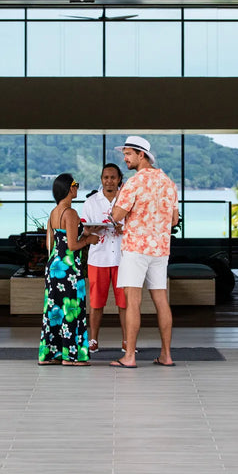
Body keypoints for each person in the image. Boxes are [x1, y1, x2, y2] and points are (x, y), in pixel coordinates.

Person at [109, 136, 180, 368]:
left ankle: (129, 356)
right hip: (160, 249)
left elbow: (116, 216)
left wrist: (119, 199)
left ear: (142, 155)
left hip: (136, 249)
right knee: (161, 300)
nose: (125, 158)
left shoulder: (134, 182)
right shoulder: (168, 182)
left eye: (128, 154)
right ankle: (166, 355)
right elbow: (173, 220)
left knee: (133, 302)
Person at [38, 172, 101, 366]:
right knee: (73, 310)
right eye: (75, 184)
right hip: (69, 268)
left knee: (54, 309)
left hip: (54, 265)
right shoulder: (71, 213)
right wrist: (89, 239)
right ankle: (72, 356)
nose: (77, 187)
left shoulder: (54, 212)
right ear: (68, 188)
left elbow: (51, 242)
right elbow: (73, 245)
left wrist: (86, 231)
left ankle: (52, 354)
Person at [80, 163, 127, 353]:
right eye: (106, 177)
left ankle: (127, 341)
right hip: (98, 259)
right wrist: (92, 229)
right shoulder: (91, 202)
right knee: (96, 303)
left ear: (119, 180)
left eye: (113, 177)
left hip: (123, 260)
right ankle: (93, 340)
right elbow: (84, 231)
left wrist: (123, 228)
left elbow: (133, 227)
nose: (109, 181)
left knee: (124, 304)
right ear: (101, 179)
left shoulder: (127, 201)